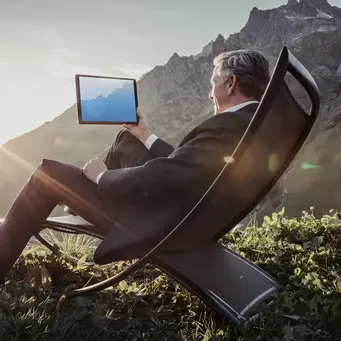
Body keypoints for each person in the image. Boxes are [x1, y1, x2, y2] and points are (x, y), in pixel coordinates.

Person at [0, 49, 271, 287]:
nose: (210, 93)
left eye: (213, 84)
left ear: (231, 83)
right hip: (185, 207)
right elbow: (188, 166)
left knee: (49, 173)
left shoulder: (227, 126)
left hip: (159, 218)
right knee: (126, 138)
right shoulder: (252, 123)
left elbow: (163, 175)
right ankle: (82, 197)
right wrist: (145, 135)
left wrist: (103, 177)